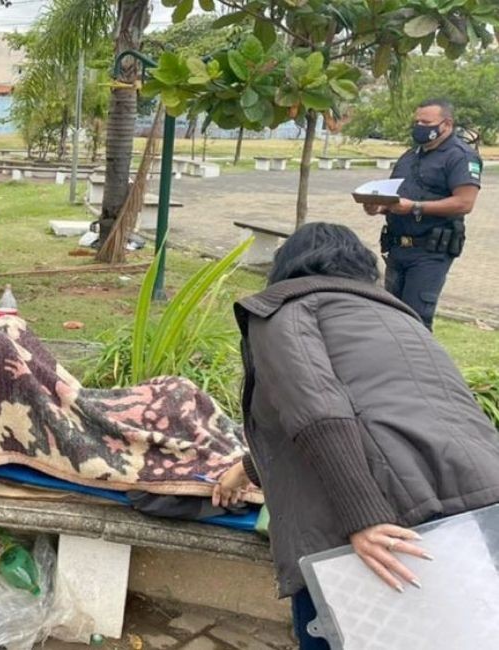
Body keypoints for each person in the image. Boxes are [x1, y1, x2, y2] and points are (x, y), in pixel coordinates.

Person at [213, 223, 499, 650]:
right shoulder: (398, 317)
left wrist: (363, 516)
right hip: (477, 506)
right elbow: (384, 415)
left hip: (388, 517)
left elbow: (318, 412)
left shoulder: (283, 310)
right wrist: (245, 468)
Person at [362, 98, 481, 330]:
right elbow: (396, 196)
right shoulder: (410, 156)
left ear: (446, 124)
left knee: (415, 320)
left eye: (426, 122)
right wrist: (377, 206)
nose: (419, 126)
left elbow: (465, 203)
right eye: (417, 121)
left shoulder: (460, 156)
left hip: (430, 251)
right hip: (397, 247)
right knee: (392, 315)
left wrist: (415, 207)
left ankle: (419, 365)